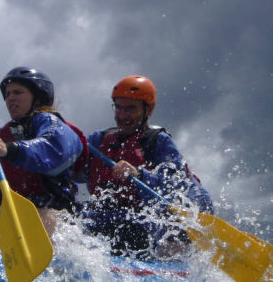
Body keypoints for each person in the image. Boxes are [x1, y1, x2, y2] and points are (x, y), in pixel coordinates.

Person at [0, 58, 87, 237]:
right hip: (18, 218)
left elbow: (53, 149)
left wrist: (11, 150)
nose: (10, 98)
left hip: (57, 221)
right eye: (8, 94)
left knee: (32, 218)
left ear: (38, 97)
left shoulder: (51, 123)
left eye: (18, 92)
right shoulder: (4, 136)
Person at [80, 74, 213, 256]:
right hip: (106, 219)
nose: (123, 115)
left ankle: (174, 262)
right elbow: (73, 167)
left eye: (131, 109)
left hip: (145, 223)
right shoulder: (99, 140)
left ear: (148, 110)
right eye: (118, 108)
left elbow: (174, 183)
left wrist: (140, 174)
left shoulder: (158, 142)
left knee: (151, 235)